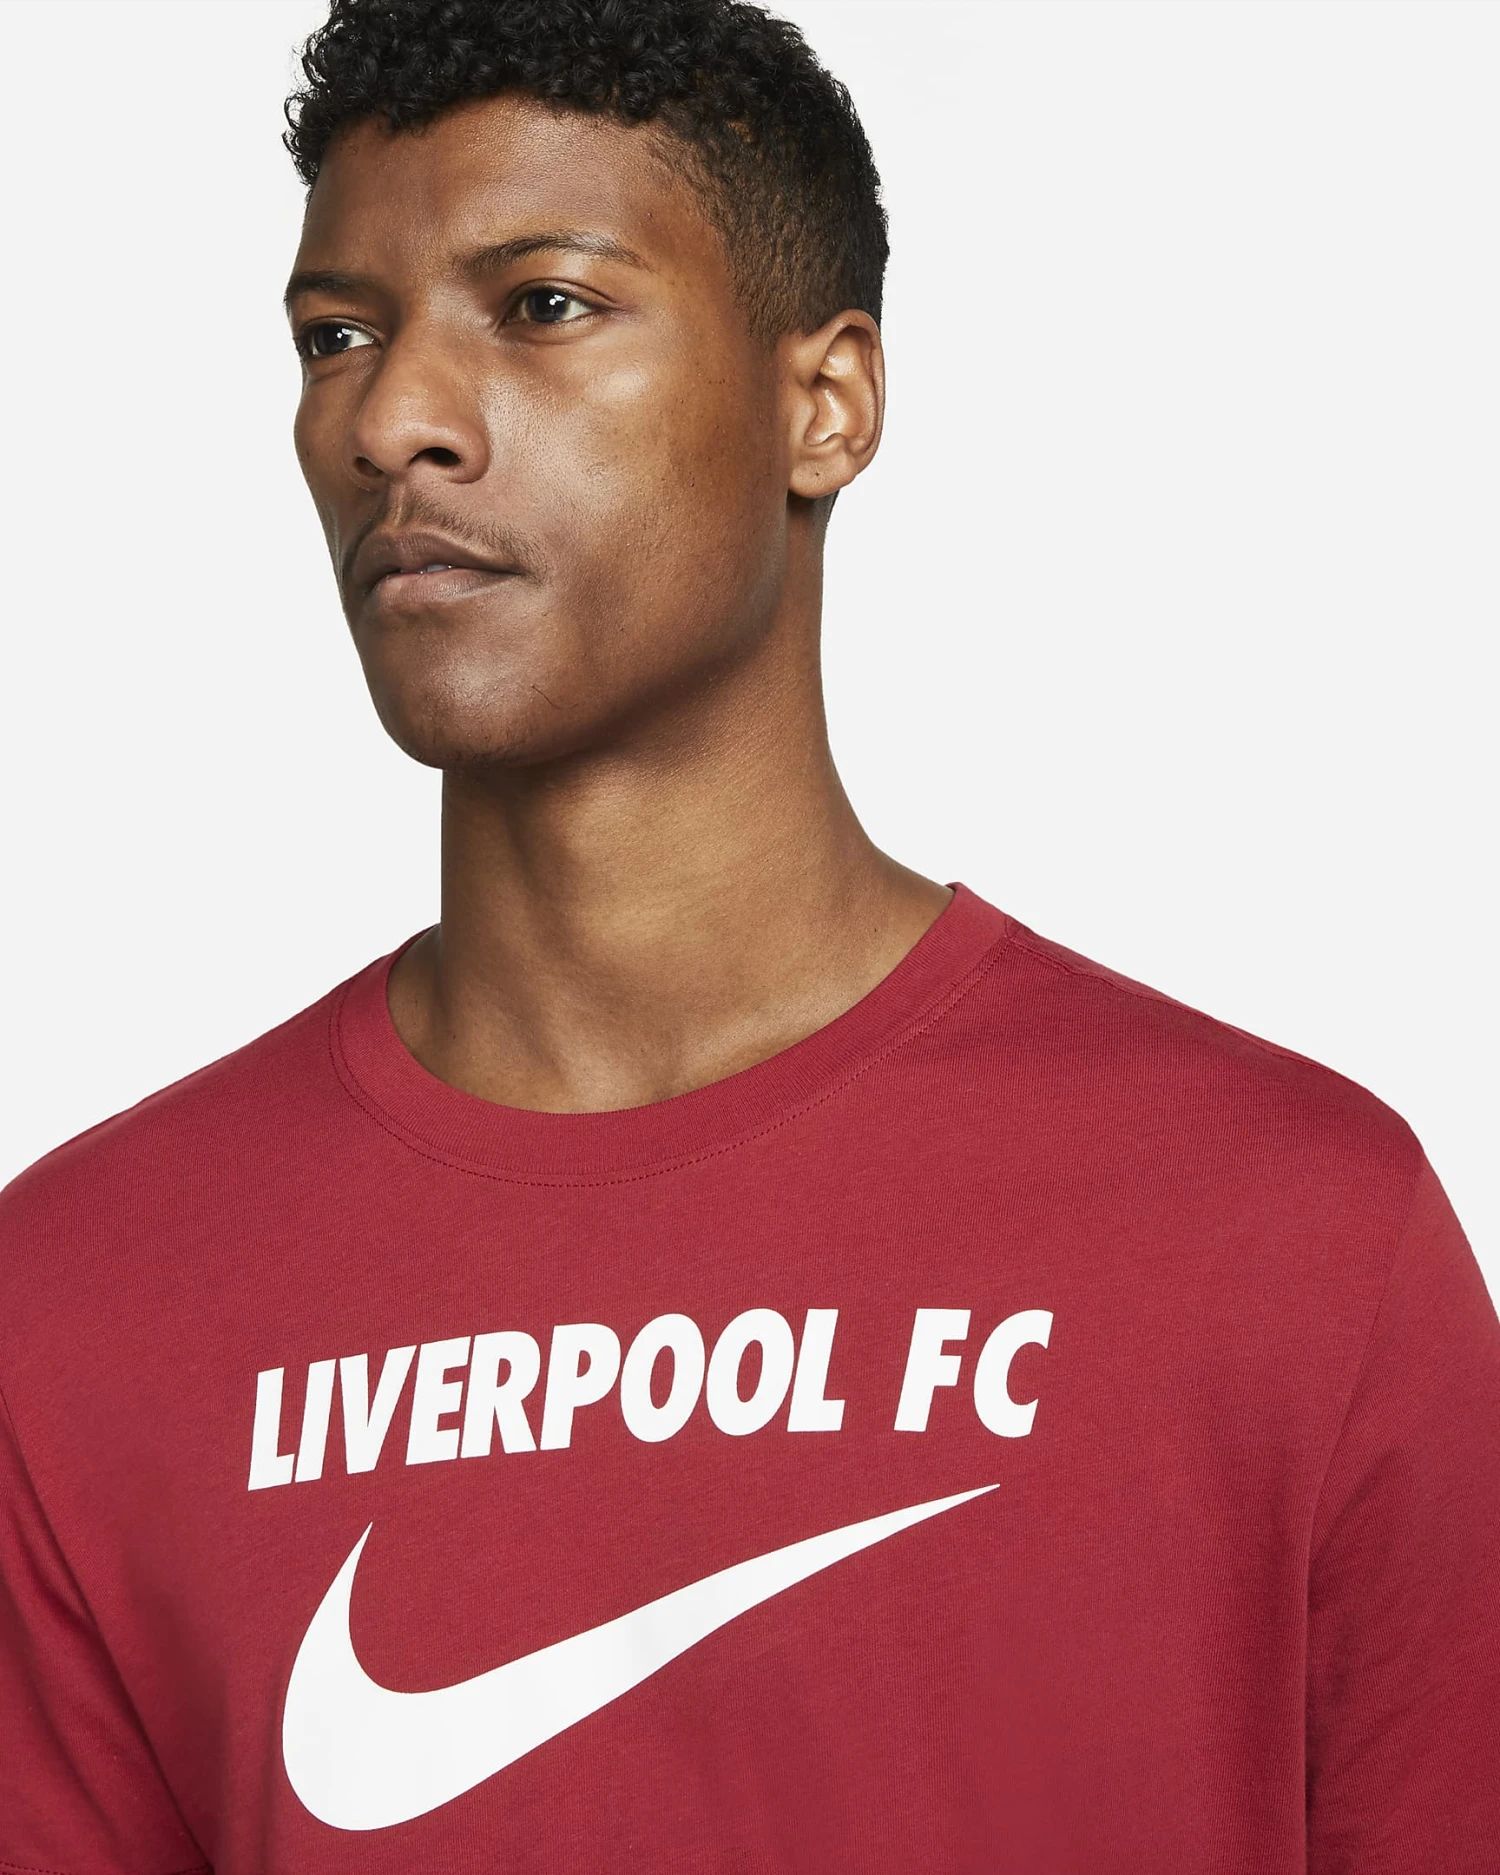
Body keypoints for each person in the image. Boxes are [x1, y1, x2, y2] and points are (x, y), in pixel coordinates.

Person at [1, 0, 1495, 1868]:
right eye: (338, 336)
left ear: (826, 403)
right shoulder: (81, 1305)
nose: (391, 420)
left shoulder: (1295, 1240)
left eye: (544, 304)